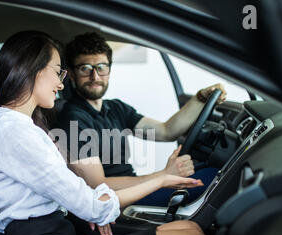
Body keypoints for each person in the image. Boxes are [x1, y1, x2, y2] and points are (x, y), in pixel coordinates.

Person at [0, 30, 236, 235]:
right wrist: (160, 178)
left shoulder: (24, 128)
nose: (60, 84)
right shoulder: (16, 133)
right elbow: (90, 201)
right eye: (58, 73)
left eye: (101, 68)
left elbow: (77, 193)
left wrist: (93, 208)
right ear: (34, 71)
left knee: (190, 229)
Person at [57, 32, 226, 208]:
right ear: (72, 74)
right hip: (118, 201)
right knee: (216, 179)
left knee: (215, 174)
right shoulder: (72, 118)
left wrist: (200, 99)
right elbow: (97, 185)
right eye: (85, 68)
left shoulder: (116, 108)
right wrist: (163, 175)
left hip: (137, 188)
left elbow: (166, 131)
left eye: (101, 67)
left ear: (109, 70)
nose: (95, 77)